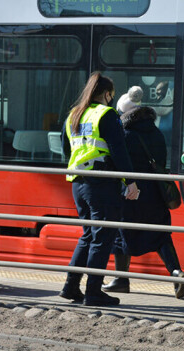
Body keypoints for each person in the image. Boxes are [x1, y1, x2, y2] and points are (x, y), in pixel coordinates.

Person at [59, 72, 139, 307]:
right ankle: (93, 291)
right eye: (111, 96)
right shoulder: (106, 114)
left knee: (88, 235)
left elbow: (67, 150)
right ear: (106, 94)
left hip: (78, 183)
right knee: (102, 238)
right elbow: (118, 149)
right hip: (101, 183)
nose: (111, 100)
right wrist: (130, 180)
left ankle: (71, 287)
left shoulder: (73, 115)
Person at [102, 93, 184, 299]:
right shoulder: (156, 132)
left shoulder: (124, 134)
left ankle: (121, 280)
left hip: (132, 193)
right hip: (156, 194)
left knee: (122, 235)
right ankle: (176, 273)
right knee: (160, 236)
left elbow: (118, 161)